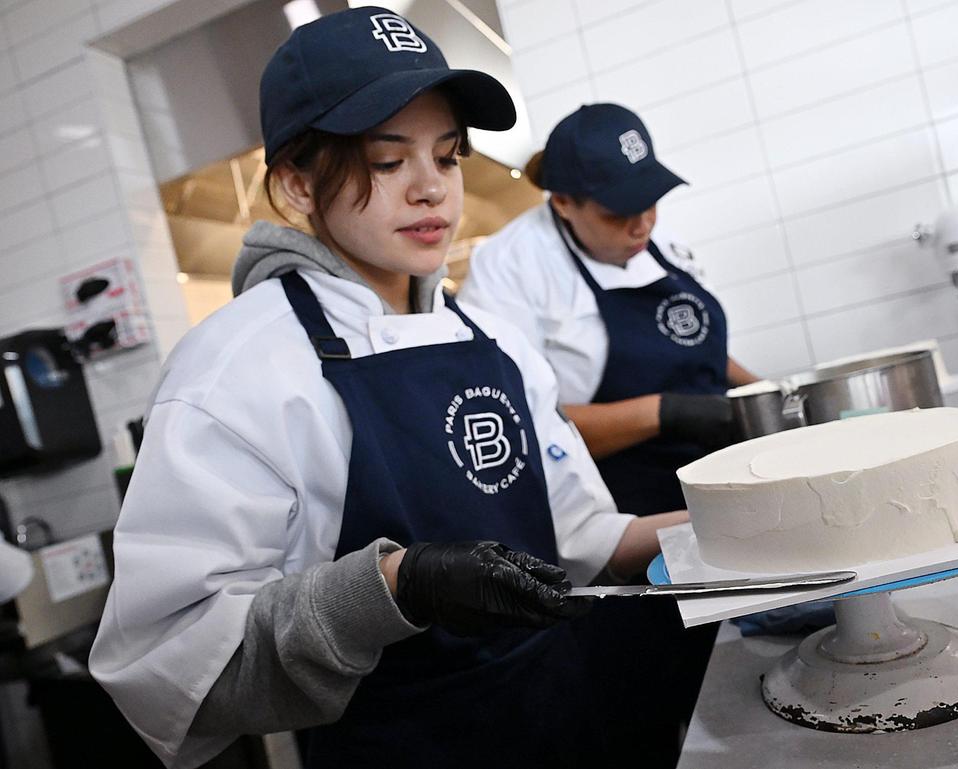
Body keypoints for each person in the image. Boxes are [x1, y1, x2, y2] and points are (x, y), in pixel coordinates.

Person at [89, 10, 685, 769]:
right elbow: (165, 660)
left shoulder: (493, 341)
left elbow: (587, 540)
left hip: (567, 721)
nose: (431, 189)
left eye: (446, 155)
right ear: (297, 184)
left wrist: (726, 518)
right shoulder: (235, 367)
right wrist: (398, 586)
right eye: (385, 160)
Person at [461, 104, 762, 767]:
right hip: (617, 522)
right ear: (563, 201)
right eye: (620, 210)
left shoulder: (655, 243)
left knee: (736, 690)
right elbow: (523, 431)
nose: (642, 222)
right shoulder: (511, 271)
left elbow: (706, 350)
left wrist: (767, 396)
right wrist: (668, 411)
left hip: (706, 501)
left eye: (650, 201)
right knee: (644, 710)